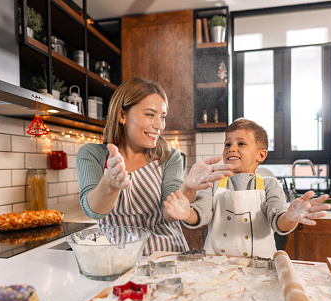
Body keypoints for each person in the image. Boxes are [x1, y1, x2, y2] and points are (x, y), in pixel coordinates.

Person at [77, 76, 233, 255]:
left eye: (163, 117)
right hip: (117, 258)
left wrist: (188, 187)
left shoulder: (169, 157)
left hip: (166, 255)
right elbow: (93, 212)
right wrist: (110, 185)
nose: (159, 125)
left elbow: (168, 213)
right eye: (150, 114)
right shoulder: (92, 155)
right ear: (122, 115)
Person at [164, 118, 331, 258]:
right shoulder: (214, 183)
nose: (232, 148)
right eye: (227, 144)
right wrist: (187, 213)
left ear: (261, 155)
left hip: (259, 269)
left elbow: (279, 221)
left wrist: (290, 217)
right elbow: (201, 212)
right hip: (216, 267)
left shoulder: (269, 185)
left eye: (241, 143)